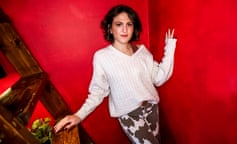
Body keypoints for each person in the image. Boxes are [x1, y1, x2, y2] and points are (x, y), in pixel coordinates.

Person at [54, 4, 177, 144]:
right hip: (130, 115)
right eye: (119, 24)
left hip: (151, 108)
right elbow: (98, 92)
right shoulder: (102, 57)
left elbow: (159, 79)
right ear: (110, 28)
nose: (124, 29)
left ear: (133, 28)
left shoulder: (142, 52)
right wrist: (79, 115)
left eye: (129, 24)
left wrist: (170, 48)